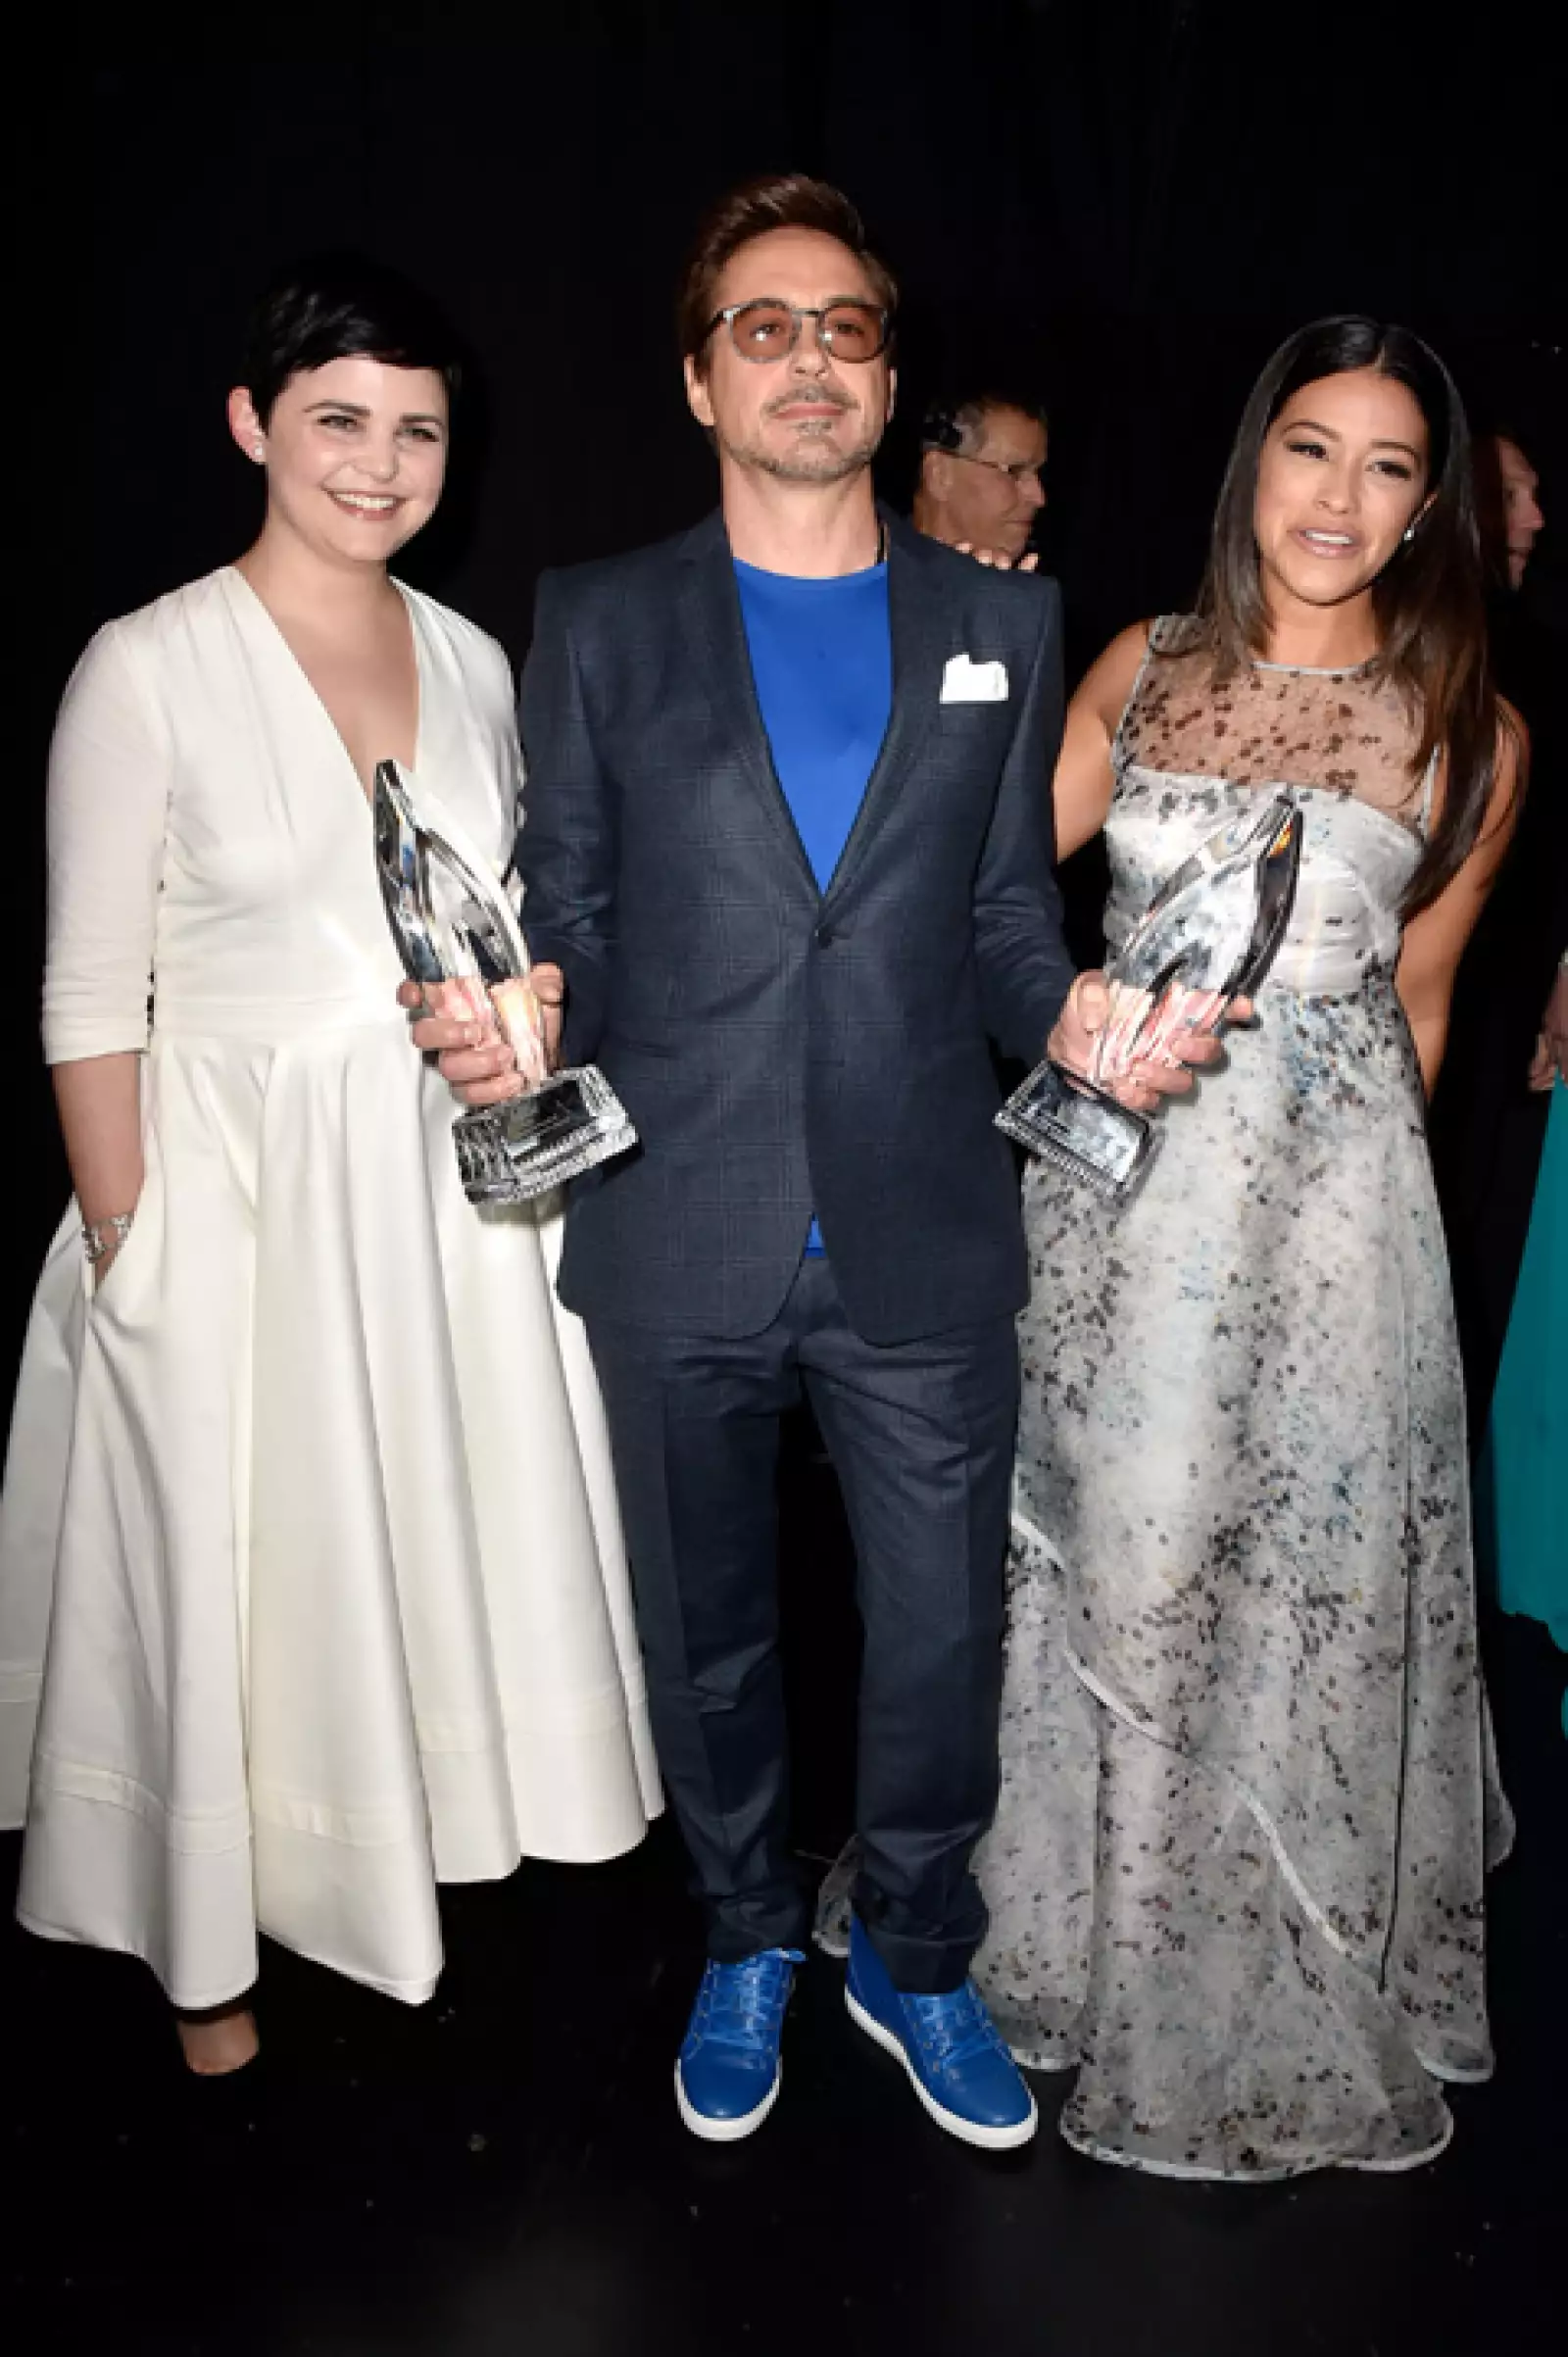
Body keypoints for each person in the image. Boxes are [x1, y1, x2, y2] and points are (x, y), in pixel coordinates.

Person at [410, 172, 1210, 2150]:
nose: (808, 358)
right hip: (674, 1213)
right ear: (700, 378)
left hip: (922, 1217)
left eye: (844, 326)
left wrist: (1074, 1012)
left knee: (938, 1633)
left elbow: (1005, 922)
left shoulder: (1001, 619)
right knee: (710, 1637)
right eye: (761, 327)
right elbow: (569, 899)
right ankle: (749, 1930)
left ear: (885, 373)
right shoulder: (602, 616)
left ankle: (914, 1951)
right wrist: (525, 1011)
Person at [0, 258, 659, 2075]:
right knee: (234, 1573)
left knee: (413, 1547)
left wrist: (524, 1007)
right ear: (252, 424)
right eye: (339, 421)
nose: (379, 464)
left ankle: (405, 1873)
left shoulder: (473, 659)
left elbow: (502, 928)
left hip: (446, 1198)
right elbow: (87, 994)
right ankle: (205, 1952)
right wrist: (128, 1246)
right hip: (235, 1201)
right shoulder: (146, 665)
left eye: (416, 431)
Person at [976, 316, 1523, 2178]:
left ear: (1427, 506)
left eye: (1388, 465)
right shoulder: (1141, 663)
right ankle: (1088, 1939)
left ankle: (1262, 1951)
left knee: (1283, 1584)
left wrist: (1387, 1289)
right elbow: (987, 886)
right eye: (1310, 447)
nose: (1341, 496)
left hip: (1328, 1230)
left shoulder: (1473, 732)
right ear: (1254, 463)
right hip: (1118, 1204)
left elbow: (1421, 1012)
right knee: (1121, 1558)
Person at [912, 392, 1048, 565]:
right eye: (1014, 471)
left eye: (1038, 472)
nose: (1038, 498)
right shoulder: (885, 572)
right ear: (939, 474)